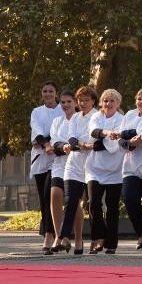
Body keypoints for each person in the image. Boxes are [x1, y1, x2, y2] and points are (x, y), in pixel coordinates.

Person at [55, 85, 98, 254]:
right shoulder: (75, 118)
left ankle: (96, 239)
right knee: (70, 201)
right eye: (80, 100)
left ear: (93, 101)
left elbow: (92, 138)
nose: (83, 103)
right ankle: (65, 237)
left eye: (86, 100)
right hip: (73, 164)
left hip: (92, 165)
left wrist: (83, 143)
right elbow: (72, 138)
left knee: (93, 204)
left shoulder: (97, 116)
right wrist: (80, 144)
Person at [86, 89, 125, 254]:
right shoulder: (96, 116)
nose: (108, 104)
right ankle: (98, 238)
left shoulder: (122, 120)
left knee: (112, 207)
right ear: (101, 103)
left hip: (115, 170)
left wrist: (97, 143)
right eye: (105, 101)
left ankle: (111, 243)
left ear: (118, 103)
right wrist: (107, 133)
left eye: (112, 101)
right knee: (93, 203)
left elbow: (114, 146)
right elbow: (93, 132)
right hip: (94, 168)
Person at [117, 88, 142, 251]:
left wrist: (137, 138)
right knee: (129, 198)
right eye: (139, 98)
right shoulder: (129, 115)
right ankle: (141, 233)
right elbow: (120, 137)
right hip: (130, 166)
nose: (141, 102)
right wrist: (129, 143)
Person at [29, 81, 62, 254]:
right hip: (41, 160)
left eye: (51, 91)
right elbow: (36, 132)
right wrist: (45, 143)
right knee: (44, 199)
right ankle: (51, 232)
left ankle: (50, 234)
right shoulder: (37, 112)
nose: (48, 94)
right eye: (45, 91)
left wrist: (47, 143)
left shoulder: (62, 110)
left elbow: (61, 131)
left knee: (52, 195)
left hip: (57, 158)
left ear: (56, 93)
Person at [47, 91, 77, 253]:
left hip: (76, 165)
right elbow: (54, 141)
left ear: (75, 103)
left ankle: (75, 238)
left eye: (69, 102)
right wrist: (62, 146)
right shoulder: (57, 121)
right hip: (59, 164)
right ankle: (59, 236)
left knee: (73, 201)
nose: (65, 105)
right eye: (63, 102)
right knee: (55, 195)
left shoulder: (80, 119)